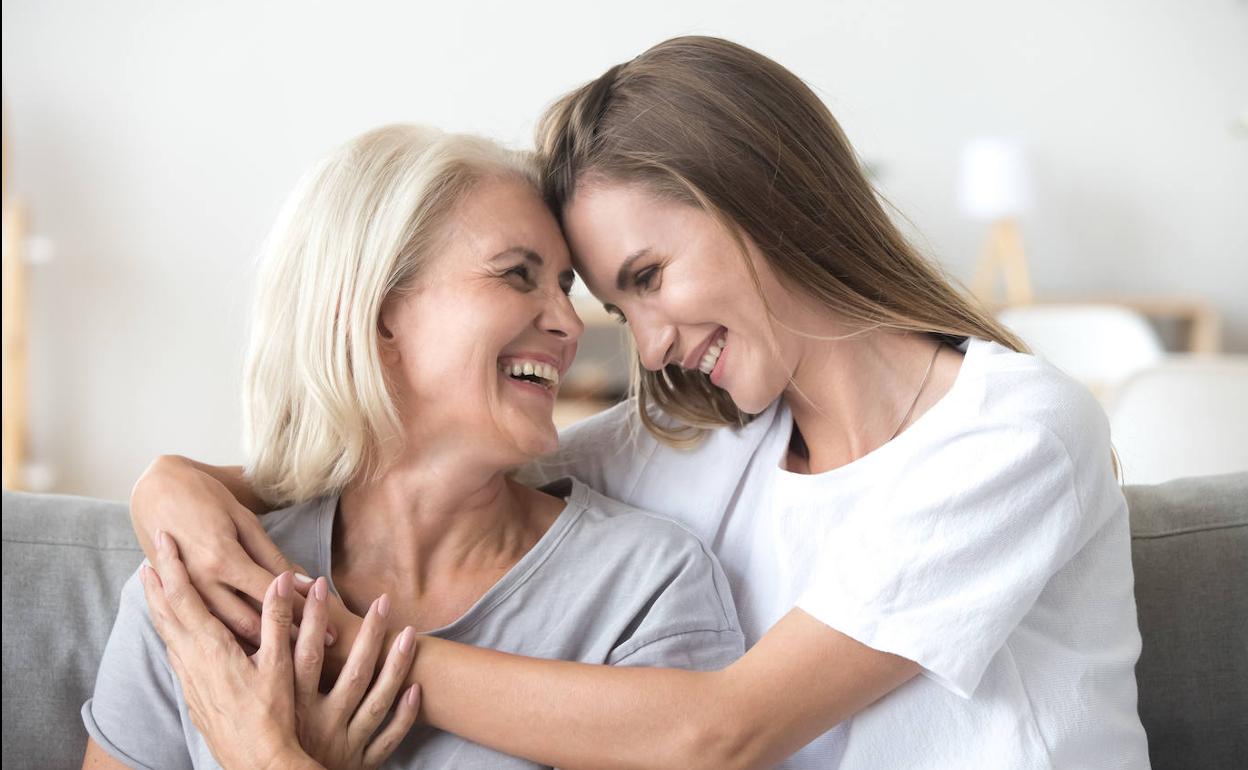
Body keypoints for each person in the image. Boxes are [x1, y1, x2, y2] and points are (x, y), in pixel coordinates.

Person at [128, 37, 1149, 769]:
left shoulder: (1012, 431)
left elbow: (721, 732)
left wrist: (344, 647)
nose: (642, 343)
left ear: (763, 197)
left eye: (649, 275)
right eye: (616, 300)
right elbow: (422, 456)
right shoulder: (713, 438)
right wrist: (174, 483)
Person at [81, 124, 744, 770]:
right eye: (518, 275)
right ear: (377, 317)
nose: (568, 323)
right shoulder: (200, 589)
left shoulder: (643, 590)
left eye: (565, 287)